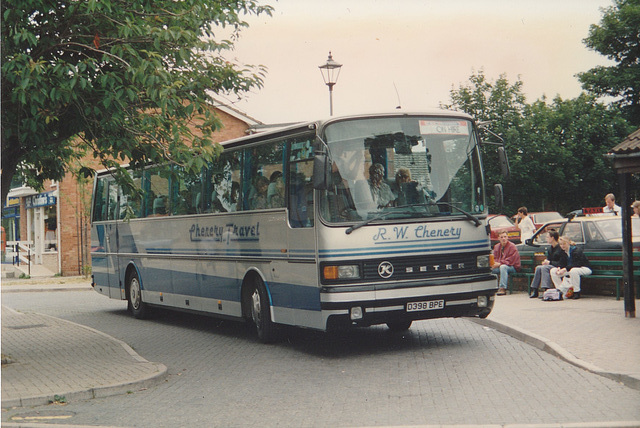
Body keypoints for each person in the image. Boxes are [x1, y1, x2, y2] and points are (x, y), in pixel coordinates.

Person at [529, 229, 567, 298]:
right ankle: (535, 289)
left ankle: (546, 289)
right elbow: (549, 259)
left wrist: (549, 262)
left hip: (558, 266)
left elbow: (561, 263)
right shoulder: (550, 248)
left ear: (552, 238)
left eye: (547, 237)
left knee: (544, 268)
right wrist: (546, 261)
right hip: (551, 265)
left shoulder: (560, 248)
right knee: (538, 267)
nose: (546, 239)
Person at [492, 230, 521, 295]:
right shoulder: (497, 246)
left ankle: (502, 288)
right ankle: (490, 288)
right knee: (490, 269)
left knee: (503, 267)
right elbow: (495, 257)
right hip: (501, 266)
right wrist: (494, 264)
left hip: (512, 267)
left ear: (507, 237)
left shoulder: (512, 246)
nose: (503, 239)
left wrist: (499, 263)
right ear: (498, 238)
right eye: (501, 237)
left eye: (505, 236)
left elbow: (511, 260)